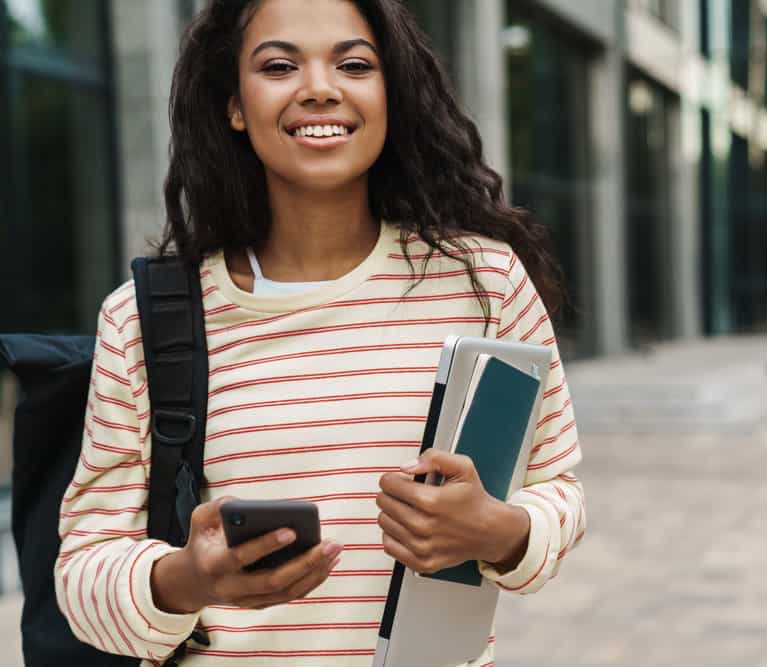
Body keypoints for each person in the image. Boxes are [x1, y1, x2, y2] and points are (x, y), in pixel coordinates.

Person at [54, 0, 586, 664]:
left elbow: (557, 493)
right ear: (235, 105)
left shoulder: (485, 282)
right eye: (279, 65)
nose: (319, 88)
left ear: (390, 92)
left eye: (354, 64)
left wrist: (501, 530)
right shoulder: (141, 318)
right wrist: (187, 578)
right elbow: (80, 574)